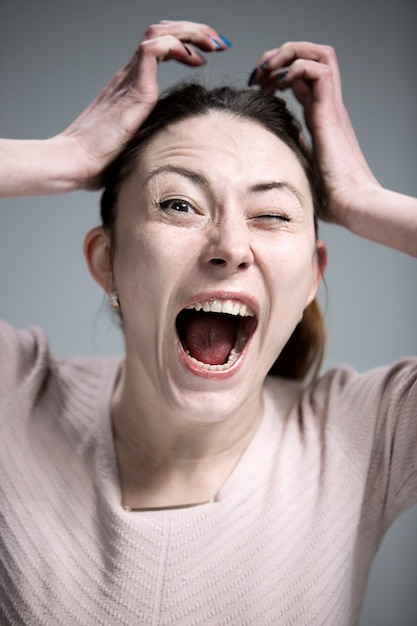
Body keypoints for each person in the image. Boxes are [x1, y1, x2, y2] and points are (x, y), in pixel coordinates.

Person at [0, 19, 416, 626]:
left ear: (311, 279)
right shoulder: (14, 399)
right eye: (178, 204)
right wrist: (63, 159)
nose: (229, 246)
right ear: (106, 261)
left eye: (272, 214)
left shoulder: (373, 435)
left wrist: (362, 198)